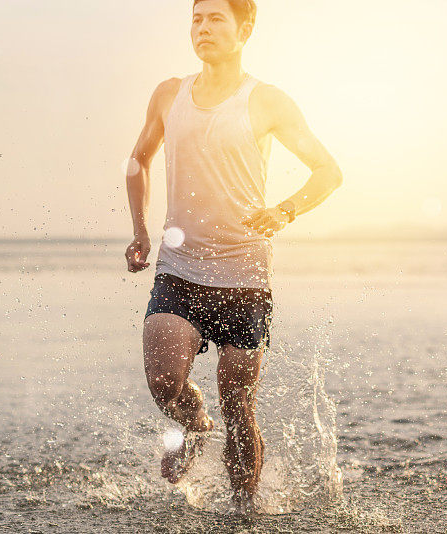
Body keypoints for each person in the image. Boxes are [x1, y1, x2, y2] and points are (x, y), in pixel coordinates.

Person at [123, 0, 343, 513]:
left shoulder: (266, 101)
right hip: (179, 268)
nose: (202, 28)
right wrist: (139, 230)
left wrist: (285, 210)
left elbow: (328, 171)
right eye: (196, 19)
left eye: (215, 19)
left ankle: (244, 509)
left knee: (239, 404)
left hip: (245, 275)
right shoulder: (168, 94)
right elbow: (138, 160)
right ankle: (197, 428)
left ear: (244, 30)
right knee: (164, 382)